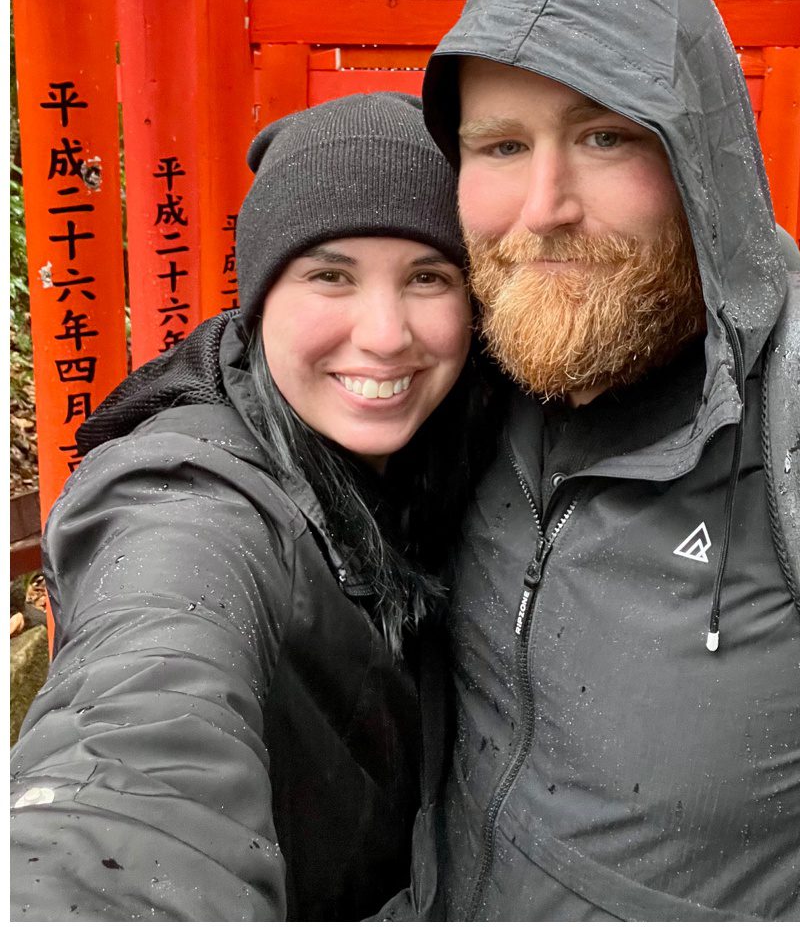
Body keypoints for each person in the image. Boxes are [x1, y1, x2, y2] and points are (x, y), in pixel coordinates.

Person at [412, 0, 800, 921]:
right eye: (502, 145)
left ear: (701, 156)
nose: (543, 203)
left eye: (604, 136)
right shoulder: (447, 401)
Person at [11, 93, 488, 919]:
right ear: (259, 296)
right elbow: (141, 728)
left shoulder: (462, 448)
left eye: (428, 277)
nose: (384, 332)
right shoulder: (187, 493)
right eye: (330, 275)